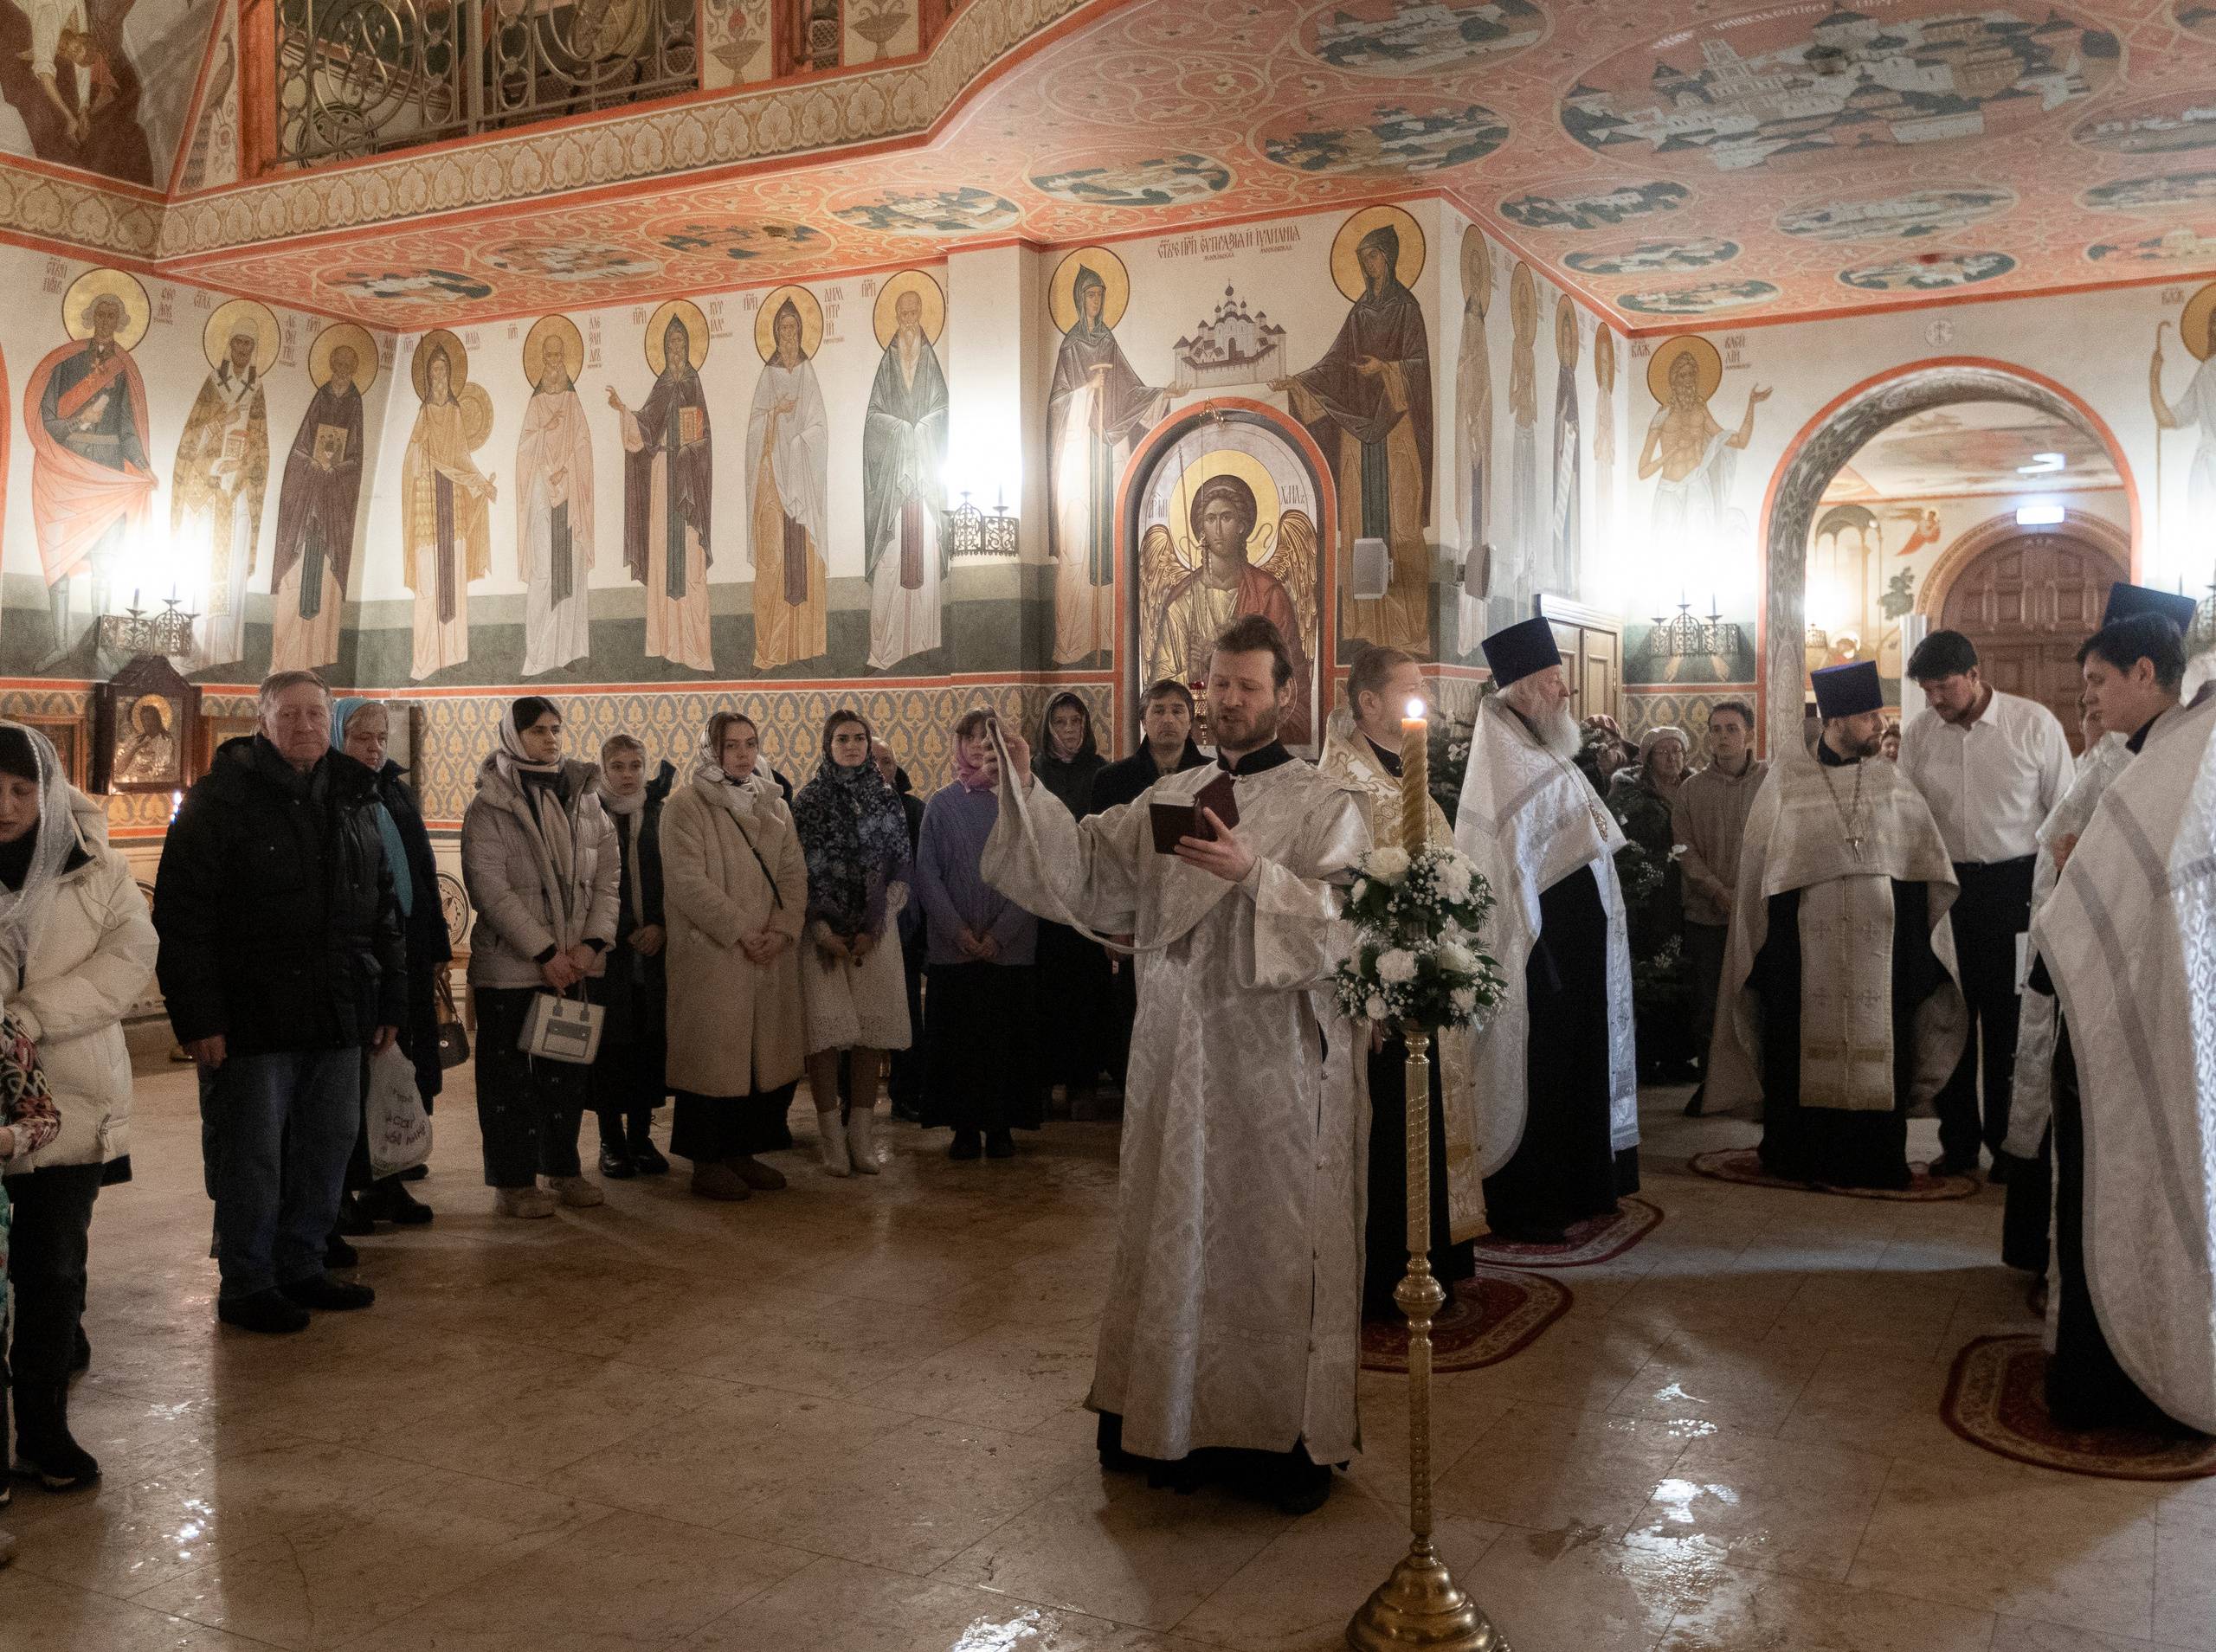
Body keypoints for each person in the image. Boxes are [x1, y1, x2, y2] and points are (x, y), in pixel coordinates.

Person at [982, 614, 1369, 1515]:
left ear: (1284, 693)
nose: (1227, 701)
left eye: (1246, 686)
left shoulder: (1325, 803)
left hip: (1270, 1073)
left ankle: (1270, 1440)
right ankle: (1166, 1417)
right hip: (1172, 1058)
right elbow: (1083, 869)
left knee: (1260, 1240)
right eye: (1217, 685)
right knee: (1173, 1226)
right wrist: (1028, 788)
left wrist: (1253, 876)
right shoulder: (1174, 791)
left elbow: (1356, 931)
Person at [154, 671, 402, 1334]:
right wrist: (199, 1019)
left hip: (338, 1007)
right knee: (253, 1156)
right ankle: (247, 1280)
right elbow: (184, 919)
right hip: (252, 1016)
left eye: (316, 714)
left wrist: (389, 998)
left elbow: (381, 909)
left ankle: (302, 1262)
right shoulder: (221, 799)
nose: (304, 727)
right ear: (261, 720)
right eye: (288, 714)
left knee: (327, 1146)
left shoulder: (351, 795)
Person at [2026, 595, 2213, 1433]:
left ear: (2148, 673)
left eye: (2099, 680)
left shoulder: (2175, 759)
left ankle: (2112, 1376)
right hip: (2118, 1000)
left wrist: (2074, 873)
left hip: (2144, 1007)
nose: (2090, 699)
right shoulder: (2159, 752)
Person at [1709, 660, 1964, 1191]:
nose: (1879, 725)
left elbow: (1920, 868)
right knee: (1794, 1043)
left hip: (1884, 951)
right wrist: (1776, 953)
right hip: (1802, 954)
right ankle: (1797, 1153)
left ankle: (1875, 1159)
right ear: (1837, 719)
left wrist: (1913, 947)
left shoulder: (1893, 782)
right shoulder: (1786, 781)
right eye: (1869, 716)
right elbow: (1765, 873)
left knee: (1884, 1043)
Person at [0, 721, 155, 1488]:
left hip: (71, 1096)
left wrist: (27, 1014)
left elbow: (128, 960)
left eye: (23, 788)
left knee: (54, 1270)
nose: (5, 803)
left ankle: (43, 1429)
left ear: (50, 792)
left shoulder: (96, 869)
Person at [1453, 618, 1638, 1244]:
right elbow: (1510, 869)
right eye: (1557, 683)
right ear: (1527, 690)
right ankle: (1537, 1198)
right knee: (1545, 1072)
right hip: (1539, 958)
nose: (1567, 696)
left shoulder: (1543, 750)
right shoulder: (1506, 761)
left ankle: (1583, 1184)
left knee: (1575, 1067)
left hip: (1574, 954)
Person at [1317, 646, 1476, 1319]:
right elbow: (1331, 897)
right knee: (1380, 1134)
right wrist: (1365, 989)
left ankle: (1431, 1252)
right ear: (1369, 704)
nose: (1426, 703)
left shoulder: (1410, 772)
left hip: (1425, 986)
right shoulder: (1335, 786)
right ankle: (1381, 1268)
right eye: (1411, 691)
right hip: (1368, 996)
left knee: (1424, 1121)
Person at [1898, 629, 2071, 1180]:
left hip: (2015, 892)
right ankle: (1958, 1145)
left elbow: (2064, 815)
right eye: (1927, 691)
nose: (1936, 701)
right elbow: (1907, 814)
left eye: (1945, 688)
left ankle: (2007, 1148)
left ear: (1975, 675)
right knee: (1948, 1020)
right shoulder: (1921, 734)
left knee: (2008, 1028)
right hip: (1946, 893)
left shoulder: (2032, 724)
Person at [461, 697, 621, 1218]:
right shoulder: (489, 805)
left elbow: (607, 880)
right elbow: (491, 889)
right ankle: (513, 1181)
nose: (551, 739)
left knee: (566, 1073)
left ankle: (562, 1169)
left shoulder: (586, 796)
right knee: (508, 1080)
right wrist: (545, 951)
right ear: (512, 734)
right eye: (537, 731)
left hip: (573, 965)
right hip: (512, 968)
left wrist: (590, 946)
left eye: (556, 729)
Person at [2001, 691, 2128, 1287]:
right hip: (2053, 961)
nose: (2091, 714)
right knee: (2039, 1097)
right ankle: (2035, 1250)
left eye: (2102, 696)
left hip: (2094, 970)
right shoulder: (2091, 768)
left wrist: (2082, 860)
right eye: (2085, 704)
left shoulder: (2130, 771)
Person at [658, 712, 807, 1201]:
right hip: (714, 956)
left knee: (759, 1059)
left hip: (767, 953)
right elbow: (686, 882)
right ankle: (707, 1161)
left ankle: (744, 1150)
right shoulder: (684, 806)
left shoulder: (775, 805)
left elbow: (793, 875)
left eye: (750, 743)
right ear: (711, 750)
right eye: (732, 745)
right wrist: (742, 930)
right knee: (713, 1058)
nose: (743, 753)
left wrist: (782, 931)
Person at [329, 698, 447, 1235]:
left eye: (381, 738)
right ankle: (345, 1185)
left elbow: (420, 869)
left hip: (408, 946)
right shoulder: (332, 795)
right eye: (362, 738)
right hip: (362, 953)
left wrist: (439, 946)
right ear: (338, 738)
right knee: (357, 1071)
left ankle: (387, 1175)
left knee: (402, 1065)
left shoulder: (393, 789)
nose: (375, 748)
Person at [791, 710, 912, 1178]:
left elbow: (901, 866)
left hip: (874, 938)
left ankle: (861, 1137)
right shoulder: (808, 801)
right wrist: (823, 929)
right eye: (842, 739)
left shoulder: (886, 800)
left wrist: (874, 925)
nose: (852, 746)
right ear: (827, 744)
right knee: (825, 1039)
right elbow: (799, 870)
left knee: (869, 1037)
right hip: (820, 937)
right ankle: (831, 1143)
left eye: (859, 738)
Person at [916, 710, 1040, 1159]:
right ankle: (964, 1127)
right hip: (957, 951)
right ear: (958, 746)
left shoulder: (1021, 804)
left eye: (986, 740)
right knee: (960, 1045)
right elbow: (926, 874)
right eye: (968, 739)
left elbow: (1034, 874)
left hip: (1010, 951)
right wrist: (956, 930)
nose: (976, 748)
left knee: (1005, 1042)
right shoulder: (941, 805)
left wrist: (1002, 934)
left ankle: (1002, 1126)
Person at [1088, 679, 1209, 1090]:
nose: (1168, 719)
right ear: (1143, 720)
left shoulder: (1214, 778)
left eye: (1178, 711)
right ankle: (1140, 1099)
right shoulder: (1112, 780)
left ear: (1192, 721)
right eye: (1158, 710)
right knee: (1137, 1008)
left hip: (1196, 911)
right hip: (1138, 915)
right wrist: (1114, 923)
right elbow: (1105, 860)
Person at [1672, 699, 1766, 1117]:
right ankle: (1713, 1083)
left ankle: (1763, 1086)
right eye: (1715, 729)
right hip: (1706, 916)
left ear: (1748, 733)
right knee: (1708, 1005)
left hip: (1758, 913)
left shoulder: (1773, 782)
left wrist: (1747, 892)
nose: (1722, 737)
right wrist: (1715, 891)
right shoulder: (1691, 790)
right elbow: (1684, 849)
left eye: (1731, 728)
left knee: (1759, 997)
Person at [590, 735, 674, 1180]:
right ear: (604, 768)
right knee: (610, 1048)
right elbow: (589, 881)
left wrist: (660, 924)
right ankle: (612, 1140)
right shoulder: (589, 813)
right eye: (618, 766)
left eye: (635, 765)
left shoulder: (659, 814)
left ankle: (642, 1137)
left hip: (655, 953)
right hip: (610, 951)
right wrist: (625, 930)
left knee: (646, 1045)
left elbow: (675, 877)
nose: (627, 775)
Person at [1032, 693, 1114, 1111]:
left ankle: (1083, 1082)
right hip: (1044, 899)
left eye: (1076, 722)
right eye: (1061, 722)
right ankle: (1043, 1083)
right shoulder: (1033, 771)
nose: (1069, 730)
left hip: (1085, 895)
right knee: (1045, 993)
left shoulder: (1101, 772)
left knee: (1086, 994)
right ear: (1048, 727)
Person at [1607, 725, 1691, 1082]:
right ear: (1648, 758)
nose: (1672, 758)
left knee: (1683, 968)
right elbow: (1618, 839)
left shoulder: (1694, 788)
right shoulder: (1630, 794)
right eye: (1664, 752)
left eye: (1678, 751)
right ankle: (1644, 1057)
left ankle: (1678, 1055)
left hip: (1686, 891)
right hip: (1647, 896)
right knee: (1650, 970)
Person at [876, 738, 930, 1124]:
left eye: (887, 761)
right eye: (873, 761)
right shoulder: (845, 807)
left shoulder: (915, 810)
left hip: (905, 931)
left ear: (896, 769)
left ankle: (907, 1093)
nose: (880, 768)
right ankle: (851, 1098)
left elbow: (925, 873)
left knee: (908, 1015)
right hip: (858, 927)